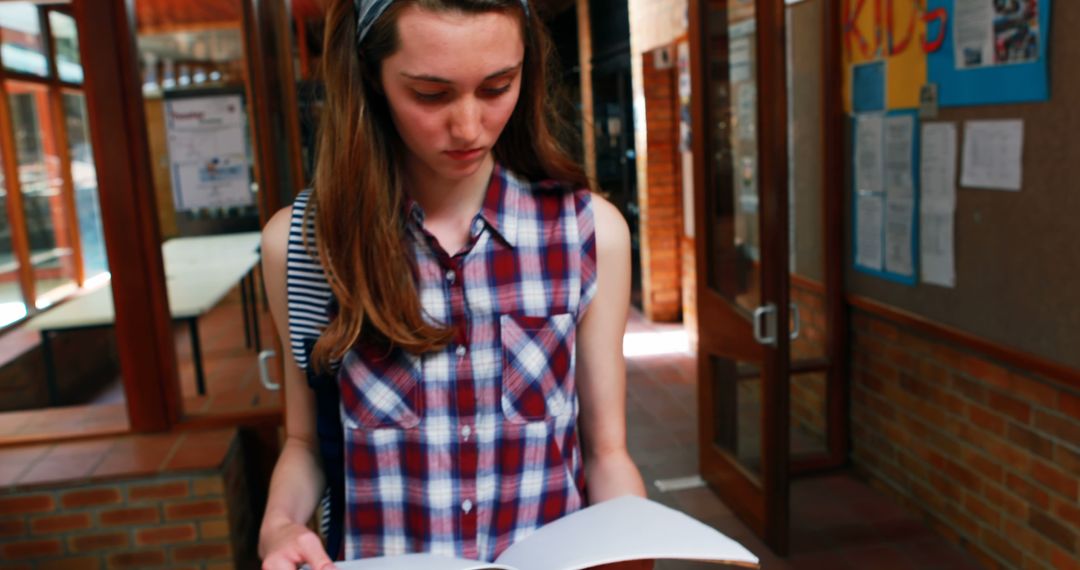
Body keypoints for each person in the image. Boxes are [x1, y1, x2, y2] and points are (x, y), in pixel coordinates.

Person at [257, 0, 646, 568]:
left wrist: (632, 539)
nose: (468, 127)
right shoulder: (304, 243)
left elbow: (606, 453)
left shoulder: (589, 234)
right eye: (430, 94)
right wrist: (278, 526)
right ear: (372, 75)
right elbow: (305, 444)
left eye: (497, 87)